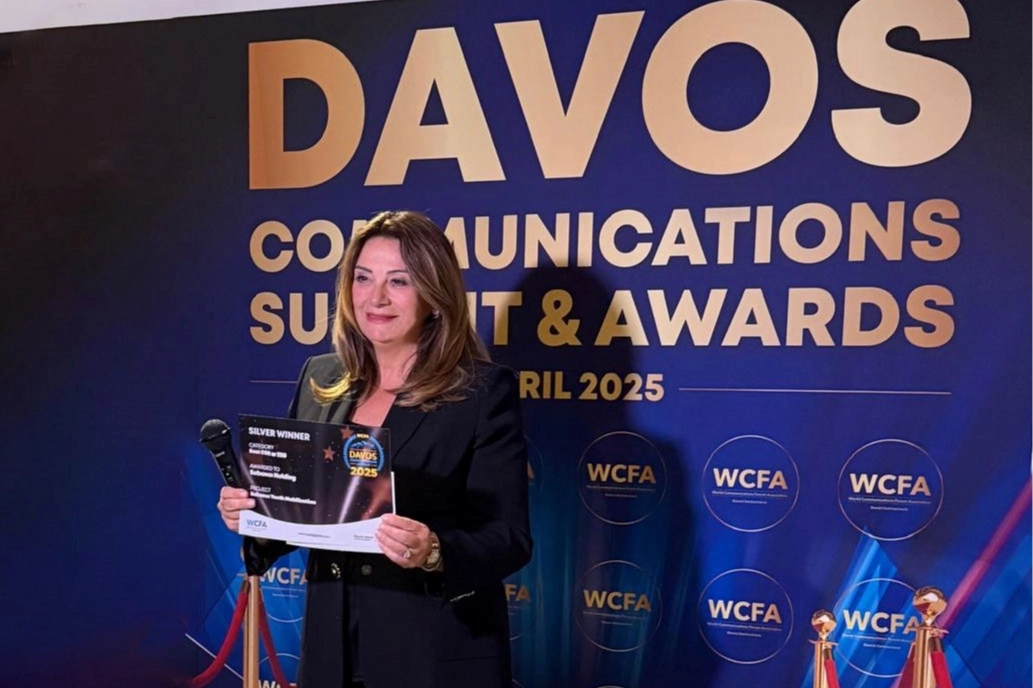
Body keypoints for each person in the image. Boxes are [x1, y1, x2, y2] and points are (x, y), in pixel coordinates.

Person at [217, 211, 532, 688]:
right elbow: (304, 513)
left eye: (398, 281)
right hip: (331, 655)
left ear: (435, 295)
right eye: (363, 278)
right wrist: (254, 513)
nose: (375, 297)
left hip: (431, 658)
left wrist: (433, 551)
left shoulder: (481, 392)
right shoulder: (320, 377)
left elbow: (509, 537)